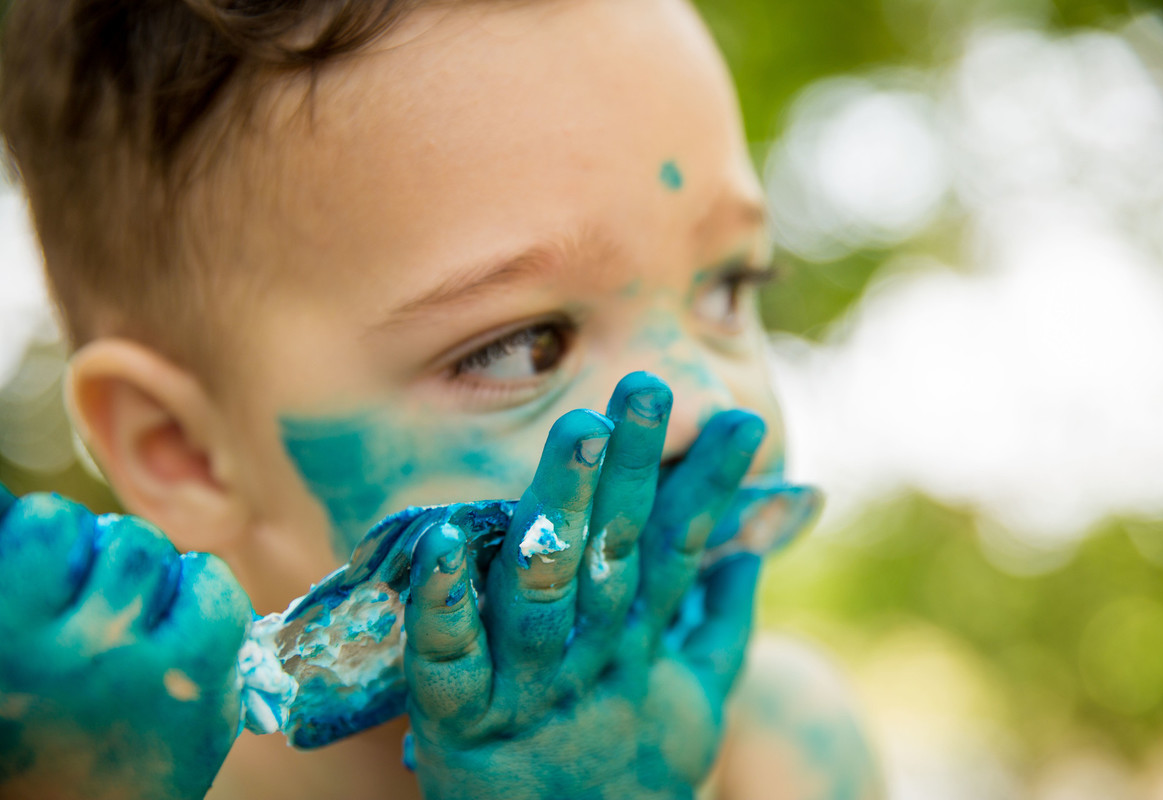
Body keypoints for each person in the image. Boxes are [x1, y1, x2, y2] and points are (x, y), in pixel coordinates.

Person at [0, 0, 884, 798]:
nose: (706, 401)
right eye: (525, 344)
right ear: (183, 451)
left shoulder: (782, 755)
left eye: (729, 286)